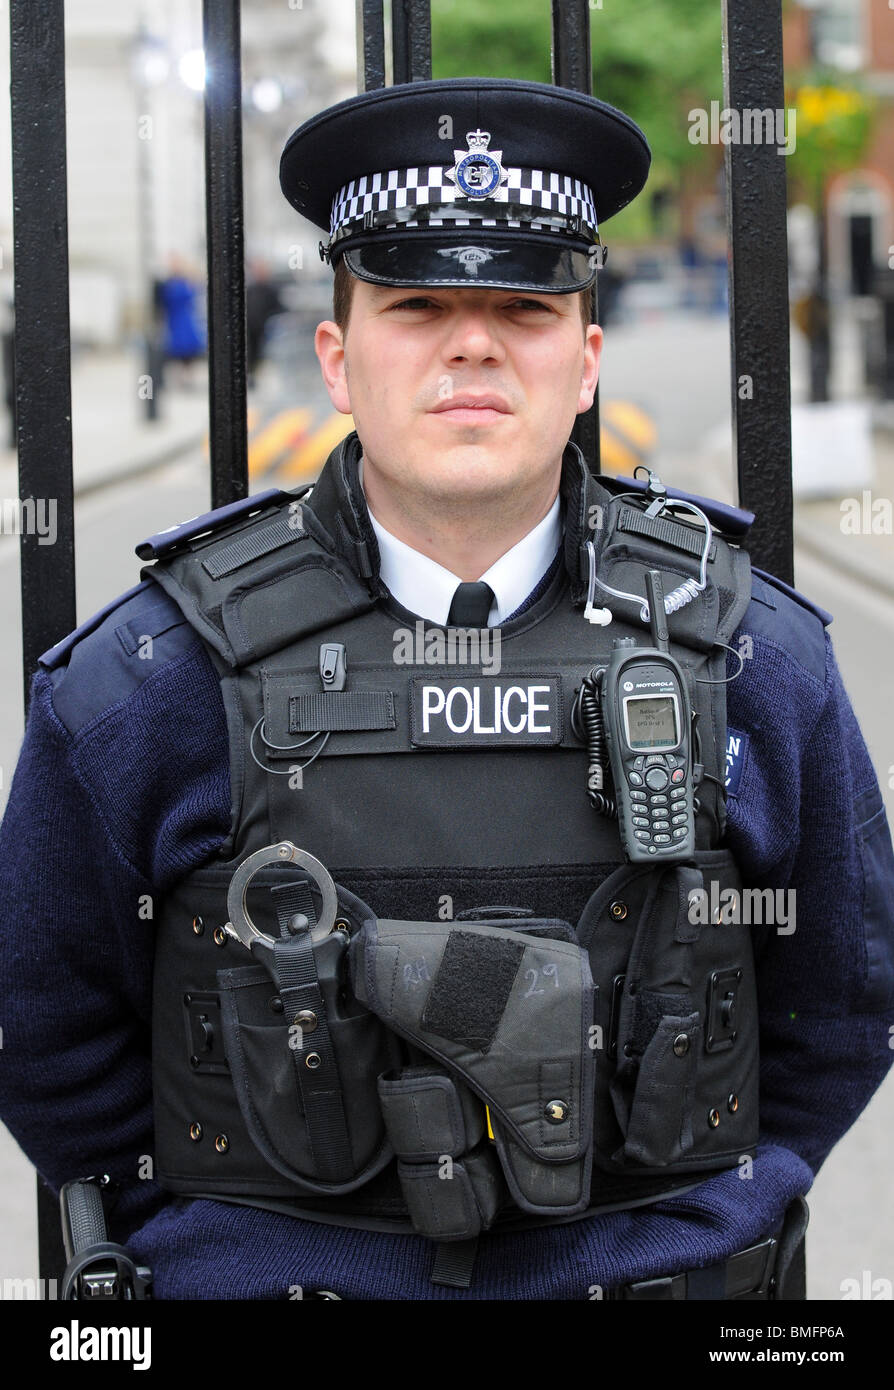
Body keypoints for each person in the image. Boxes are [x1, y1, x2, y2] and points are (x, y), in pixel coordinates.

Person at [0, 76, 892, 1303]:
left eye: (523, 306)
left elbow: (841, 1006)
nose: (472, 343)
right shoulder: (151, 683)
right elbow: (49, 1032)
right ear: (337, 355)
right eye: (417, 303)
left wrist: (702, 1218)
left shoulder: (758, 664)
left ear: (585, 362)